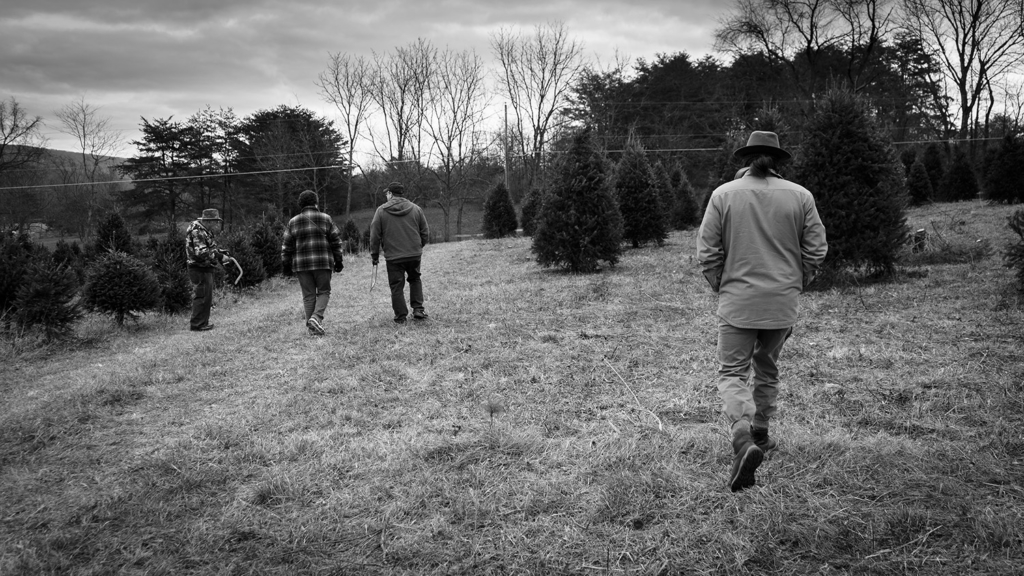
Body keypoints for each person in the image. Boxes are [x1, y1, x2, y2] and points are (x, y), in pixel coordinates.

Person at [696, 131, 828, 492]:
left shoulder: (723, 195)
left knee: (732, 373)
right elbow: (816, 249)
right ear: (779, 162)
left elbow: (707, 250)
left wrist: (720, 285)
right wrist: (796, 283)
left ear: (746, 159)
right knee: (767, 367)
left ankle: (742, 438)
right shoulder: (801, 196)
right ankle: (762, 434)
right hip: (781, 304)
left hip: (738, 302)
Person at [281, 190, 345, 336]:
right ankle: (316, 318)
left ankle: (312, 329)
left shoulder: (293, 222)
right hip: (323, 262)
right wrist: (339, 259)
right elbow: (336, 240)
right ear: (316, 202)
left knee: (308, 296)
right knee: (324, 291)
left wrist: (286, 265)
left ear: (300, 204)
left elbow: (286, 246)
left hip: (301, 265)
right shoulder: (326, 218)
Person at [369, 181, 430, 323]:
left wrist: (374, 255)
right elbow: (425, 232)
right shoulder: (416, 209)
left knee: (396, 286)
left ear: (390, 194)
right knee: (415, 279)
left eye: (387, 193)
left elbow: (375, 235)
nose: (386, 196)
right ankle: (418, 309)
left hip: (393, 256)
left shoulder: (381, 211)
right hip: (414, 254)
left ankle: (401, 316)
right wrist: (418, 246)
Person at [185, 208, 232, 332]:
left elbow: (208, 247)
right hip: (199, 268)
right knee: (202, 296)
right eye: (215, 221)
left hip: (205, 267)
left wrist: (218, 251)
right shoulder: (197, 231)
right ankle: (197, 324)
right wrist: (220, 256)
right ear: (209, 221)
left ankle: (202, 322)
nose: (217, 224)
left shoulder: (204, 230)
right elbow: (201, 252)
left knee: (206, 296)